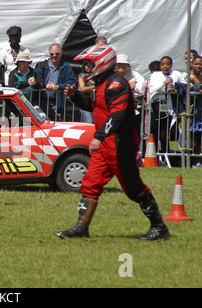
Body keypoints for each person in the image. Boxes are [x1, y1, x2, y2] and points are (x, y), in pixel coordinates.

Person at [56, 44, 170, 241]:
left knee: (134, 190)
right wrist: (75, 96)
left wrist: (98, 136)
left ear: (102, 63)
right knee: (90, 184)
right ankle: (82, 227)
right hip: (104, 147)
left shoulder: (117, 84)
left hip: (119, 145)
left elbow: (116, 116)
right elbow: (95, 108)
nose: (87, 68)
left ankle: (159, 227)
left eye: (90, 64)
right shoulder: (101, 84)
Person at [149, 56, 186, 153]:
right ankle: (157, 154)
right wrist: (164, 83)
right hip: (159, 108)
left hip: (173, 108)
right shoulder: (155, 75)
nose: (165, 66)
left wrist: (176, 89)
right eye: (163, 64)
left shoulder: (176, 74)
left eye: (168, 64)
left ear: (171, 65)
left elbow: (185, 87)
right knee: (159, 133)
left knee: (168, 134)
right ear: (160, 65)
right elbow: (152, 90)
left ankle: (167, 154)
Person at [35, 43, 76, 120]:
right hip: (41, 101)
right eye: (52, 53)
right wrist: (44, 86)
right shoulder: (42, 65)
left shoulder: (66, 66)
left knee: (57, 125)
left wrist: (58, 86)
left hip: (58, 102)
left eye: (56, 53)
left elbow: (72, 81)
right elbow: (37, 78)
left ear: (60, 54)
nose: (54, 56)